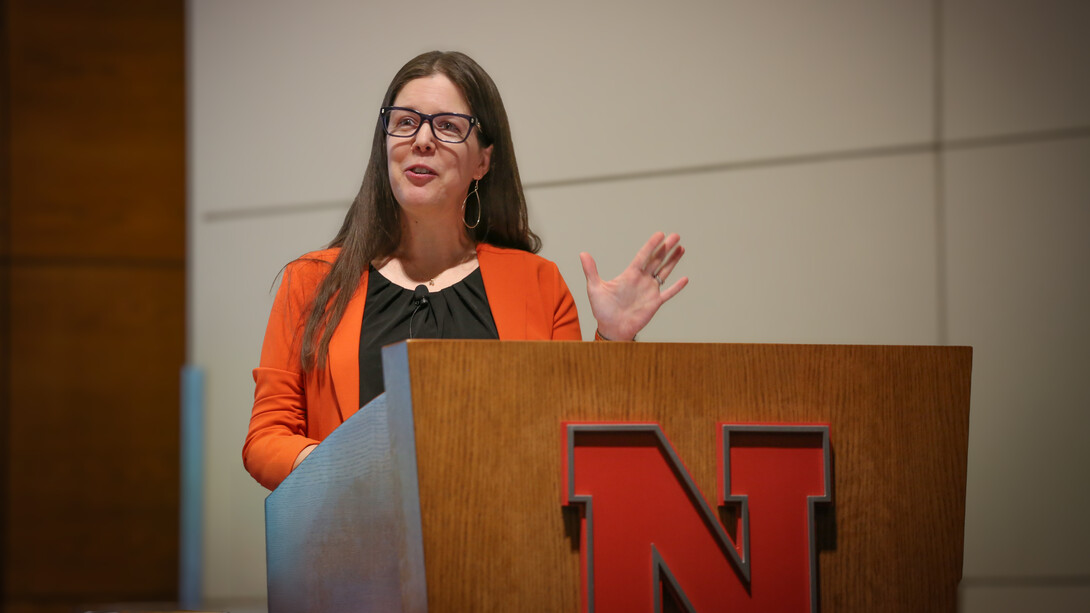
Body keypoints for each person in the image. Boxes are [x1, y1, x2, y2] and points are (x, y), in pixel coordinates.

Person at [243, 51, 688, 490]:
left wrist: (613, 339)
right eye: (404, 122)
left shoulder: (537, 283)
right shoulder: (312, 281)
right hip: (354, 545)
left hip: (505, 545)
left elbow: (576, 439)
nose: (421, 140)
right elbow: (266, 438)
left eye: (448, 127)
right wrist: (346, 468)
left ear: (483, 162)